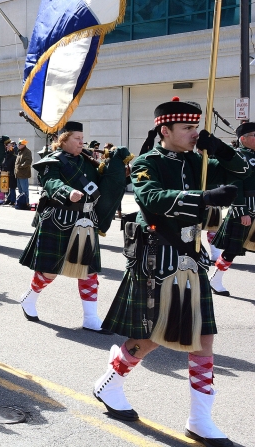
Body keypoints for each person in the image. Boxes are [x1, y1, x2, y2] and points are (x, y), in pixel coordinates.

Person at [93, 97, 246, 446]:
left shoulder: (199, 159)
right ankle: (111, 380)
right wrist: (204, 198)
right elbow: (152, 198)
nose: (195, 134)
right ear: (166, 129)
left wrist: (219, 147)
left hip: (193, 257)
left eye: (196, 127)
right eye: (188, 128)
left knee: (203, 339)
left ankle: (200, 420)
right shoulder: (147, 161)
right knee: (153, 337)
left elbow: (242, 170)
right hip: (159, 258)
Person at [19, 121, 115, 333]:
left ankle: (91, 317)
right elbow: (51, 182)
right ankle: (30, 298)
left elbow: (103, 183)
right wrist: (67, 192)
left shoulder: (89, 160)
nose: (82, 142)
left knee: (88, 271)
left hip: (86, 220)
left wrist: (117, 167)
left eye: (82, 138)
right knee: (49, 271)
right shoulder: (52, 161)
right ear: (63, 140)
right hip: (59, 219)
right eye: (77, 139)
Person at [207, 121, 255, 296]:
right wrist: (242, 211)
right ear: (243, 139)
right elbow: (235, 183)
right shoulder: (238, 157)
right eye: (254, 135)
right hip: (245, 210)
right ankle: (216, 279)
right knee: (233, 249)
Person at [15, 139, 33, 208]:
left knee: (24, 190)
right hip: (19, 174)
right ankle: (21, 202)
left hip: (23, 174)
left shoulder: (27, 152)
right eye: (18, 144)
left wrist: (21, 166)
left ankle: (26, 203)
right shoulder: (20, 152)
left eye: (20, 144)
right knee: (20, 190)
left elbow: (28, 161)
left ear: (23, 145)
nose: (18, 146)